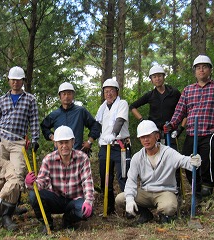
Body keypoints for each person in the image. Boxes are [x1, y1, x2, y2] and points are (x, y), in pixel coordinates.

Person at [115, 120, 201, 224]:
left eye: (149, 136)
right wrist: (129, 199)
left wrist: (193, 161)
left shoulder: (168, 153)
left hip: (165, 192)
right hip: (145, 192)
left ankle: (163, 214)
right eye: (142, 137)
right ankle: (145, 214)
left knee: (168, 207)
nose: (146, 140)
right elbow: (131, 181)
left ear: (156, 136)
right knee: (121, 198)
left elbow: (183, 161)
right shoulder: (137, 157)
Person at [164, 55, 214, 197]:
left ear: (210, 70)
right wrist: (172, 124)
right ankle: (197, 188)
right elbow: (180, 110)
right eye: (198, 68)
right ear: (195, 71)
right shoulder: (188, 90)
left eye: (205, 67)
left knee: (208, 161)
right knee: (187, 162)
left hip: (210, 132)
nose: (201, 70)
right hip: (192, 133)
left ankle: (207, 189)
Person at [25, 125, 94, 233]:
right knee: (34, 195)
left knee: (85, 210)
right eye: (61, 143)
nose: (64, 146)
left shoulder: (82, 158)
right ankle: (47, 223)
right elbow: (42, 182)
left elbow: (87, 181)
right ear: (55, 143)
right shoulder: (48, 159)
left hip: (75, 199)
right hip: (56, 198)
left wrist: (89, 201)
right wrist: (30, 183)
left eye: (67, 142)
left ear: (73, 142)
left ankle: (67, 220)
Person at [0, 66, 40, 191]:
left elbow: (34, 120)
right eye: (12, 79)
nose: (15, 82)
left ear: (22, 81)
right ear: (8, 80)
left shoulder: (30, 99)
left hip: (18, 142)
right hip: (1, 140)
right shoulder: (2, 100)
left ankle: (14, 203)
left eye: (18, 80)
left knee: (17, 172)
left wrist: (35, 139)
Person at [95, 78, 131, 214]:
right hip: (105, 146)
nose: (108, 94)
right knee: (105, 177)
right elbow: (97, 124)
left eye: (111, 91)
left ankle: (129, 207)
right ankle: (108, 208)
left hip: (120, 146)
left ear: (117, 91)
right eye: (106, 91)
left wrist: (114, 133)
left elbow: (120, 120)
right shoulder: (102, 108)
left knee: (124, 176)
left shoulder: (122, 103)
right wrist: (94, 138)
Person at [129, 64, 185, 147]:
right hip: (154, 133)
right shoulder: (150, 95)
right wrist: (142, 120)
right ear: (151, 80)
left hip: (171, 133)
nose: (157, 79)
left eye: (159, 76)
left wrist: (181, 128)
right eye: (154, 77)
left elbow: (185, 110)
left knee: (171, 158)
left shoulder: (174, 92)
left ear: (163, 77)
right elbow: (132, 106)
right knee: (155, 157)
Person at [40, 82, 101, 155]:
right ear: (59, 96)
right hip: (59, 154)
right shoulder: (54, 114)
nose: (66, 96)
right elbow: (44, 126)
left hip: (77, 153)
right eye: (64, 94)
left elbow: (95, 125)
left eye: (69, 93)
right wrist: (53, 137)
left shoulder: (80, 111)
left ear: (73, 96)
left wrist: (89, 142)